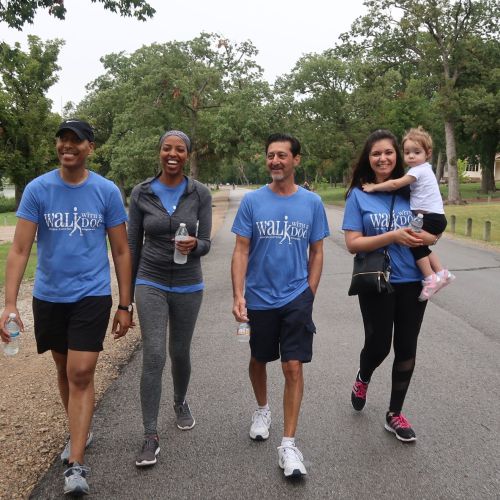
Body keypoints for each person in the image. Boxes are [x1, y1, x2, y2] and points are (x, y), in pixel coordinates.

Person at [0, 119, 132, 496]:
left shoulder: (105, 191)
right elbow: (21, 249)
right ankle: (80, 429)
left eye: (76, 140)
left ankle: (76, 464)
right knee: (63, 366)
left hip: (90, 295)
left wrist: (125, 303)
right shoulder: (39, 189)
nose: (67, 146)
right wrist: (10, 303)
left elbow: (121, 250)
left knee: (80, 371)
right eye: (63, 139)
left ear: (90, 147)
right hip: (49, 296)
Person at [231, 133, 330, 477]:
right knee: (258, 357)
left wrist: (309, 292)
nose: (275, 161)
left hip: (295, 297)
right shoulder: (252, 201)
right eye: (270, 155)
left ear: (296, 160)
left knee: (293, 366)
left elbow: (317, 251)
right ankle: (262, 409)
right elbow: (241, 249)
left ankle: (288, 445)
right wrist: (238, 294)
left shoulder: (312, 203)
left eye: (282, 155)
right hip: (259, 297)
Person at [343, 129, 439, 442]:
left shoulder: (412, 187)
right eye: (376, 154)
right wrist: (392, 236)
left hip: (413, 281)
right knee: (379, 345)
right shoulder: (360, 194)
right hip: (376, 282)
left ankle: (394, 414)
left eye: (388, 152)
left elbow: (432, 225)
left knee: (407, 348)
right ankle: (364, 375)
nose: (383, 158)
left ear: (397, 155)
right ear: (367, 159)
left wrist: (432, 237)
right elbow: (353, 244)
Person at [128, 130, 212, 468]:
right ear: (159, 152)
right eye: (166, 148)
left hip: (189, 284)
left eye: (179, 149)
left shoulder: (199, 192)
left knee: (180, 352)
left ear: (188, 155)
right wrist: (125, 299)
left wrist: (195, 245)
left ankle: (179, 401)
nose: (172, 154)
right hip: (151, 280)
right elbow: (132, 246)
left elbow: (207, 242)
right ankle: (150, 434)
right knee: (154, 355)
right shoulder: (141, 193)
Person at [361, 126, 454, 301]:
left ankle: (431, 278)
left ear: (428, 153)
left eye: (416, 152)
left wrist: (374, 187)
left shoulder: (417, 171)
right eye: (407, 152)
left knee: (412, 241)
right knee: (421, 246)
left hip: (429, 217)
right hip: (434, 217)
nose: (411, 156)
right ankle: (442, 272)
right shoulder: (425, 169)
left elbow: (395, 184)